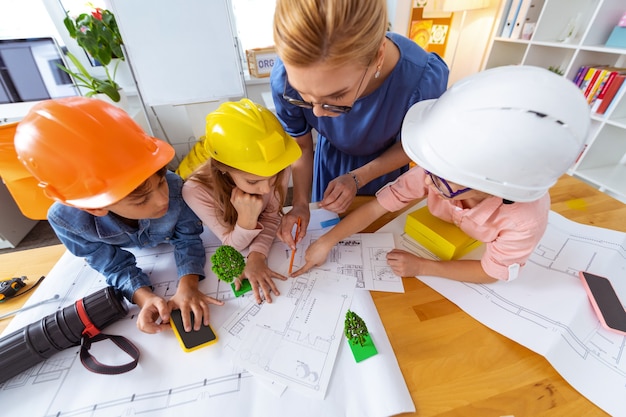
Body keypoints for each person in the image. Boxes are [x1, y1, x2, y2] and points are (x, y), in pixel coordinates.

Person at [292, 66, 590, 283]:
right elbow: (377, 207)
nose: (426, 178)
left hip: (463, 259)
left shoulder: (525, 219)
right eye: (430, 170)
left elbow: (491, 272)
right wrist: (326, 242)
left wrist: (422, 267)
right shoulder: (440, 171)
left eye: (440, 180)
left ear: (496, 189)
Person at [14, 97, 223, 334]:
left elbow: (187, 238)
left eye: (161, 181)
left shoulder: (175, 186)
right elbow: (111, 264)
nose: (162, 200)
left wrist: (188, 284)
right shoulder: (67, 221)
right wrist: (143, 296)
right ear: (94, 207)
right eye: (142, 199)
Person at [270, 0, 449, 249]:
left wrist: (359, 177)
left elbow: (413, 145)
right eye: (304, 96)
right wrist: (300, 203)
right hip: (328, 163)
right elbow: (301, 143)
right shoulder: (286, 75)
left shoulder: (420, 79)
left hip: (386, 168)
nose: (318, 113)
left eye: (336, 97)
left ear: (378, 57)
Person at [182, 99, 302, 304]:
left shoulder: (276, 165)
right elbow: (231, 246)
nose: (266, 189)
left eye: (272, 177)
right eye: (253, 181)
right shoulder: (195, 190)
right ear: (223, 167)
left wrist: (257, 256)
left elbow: (272, 216)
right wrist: (247, 220)